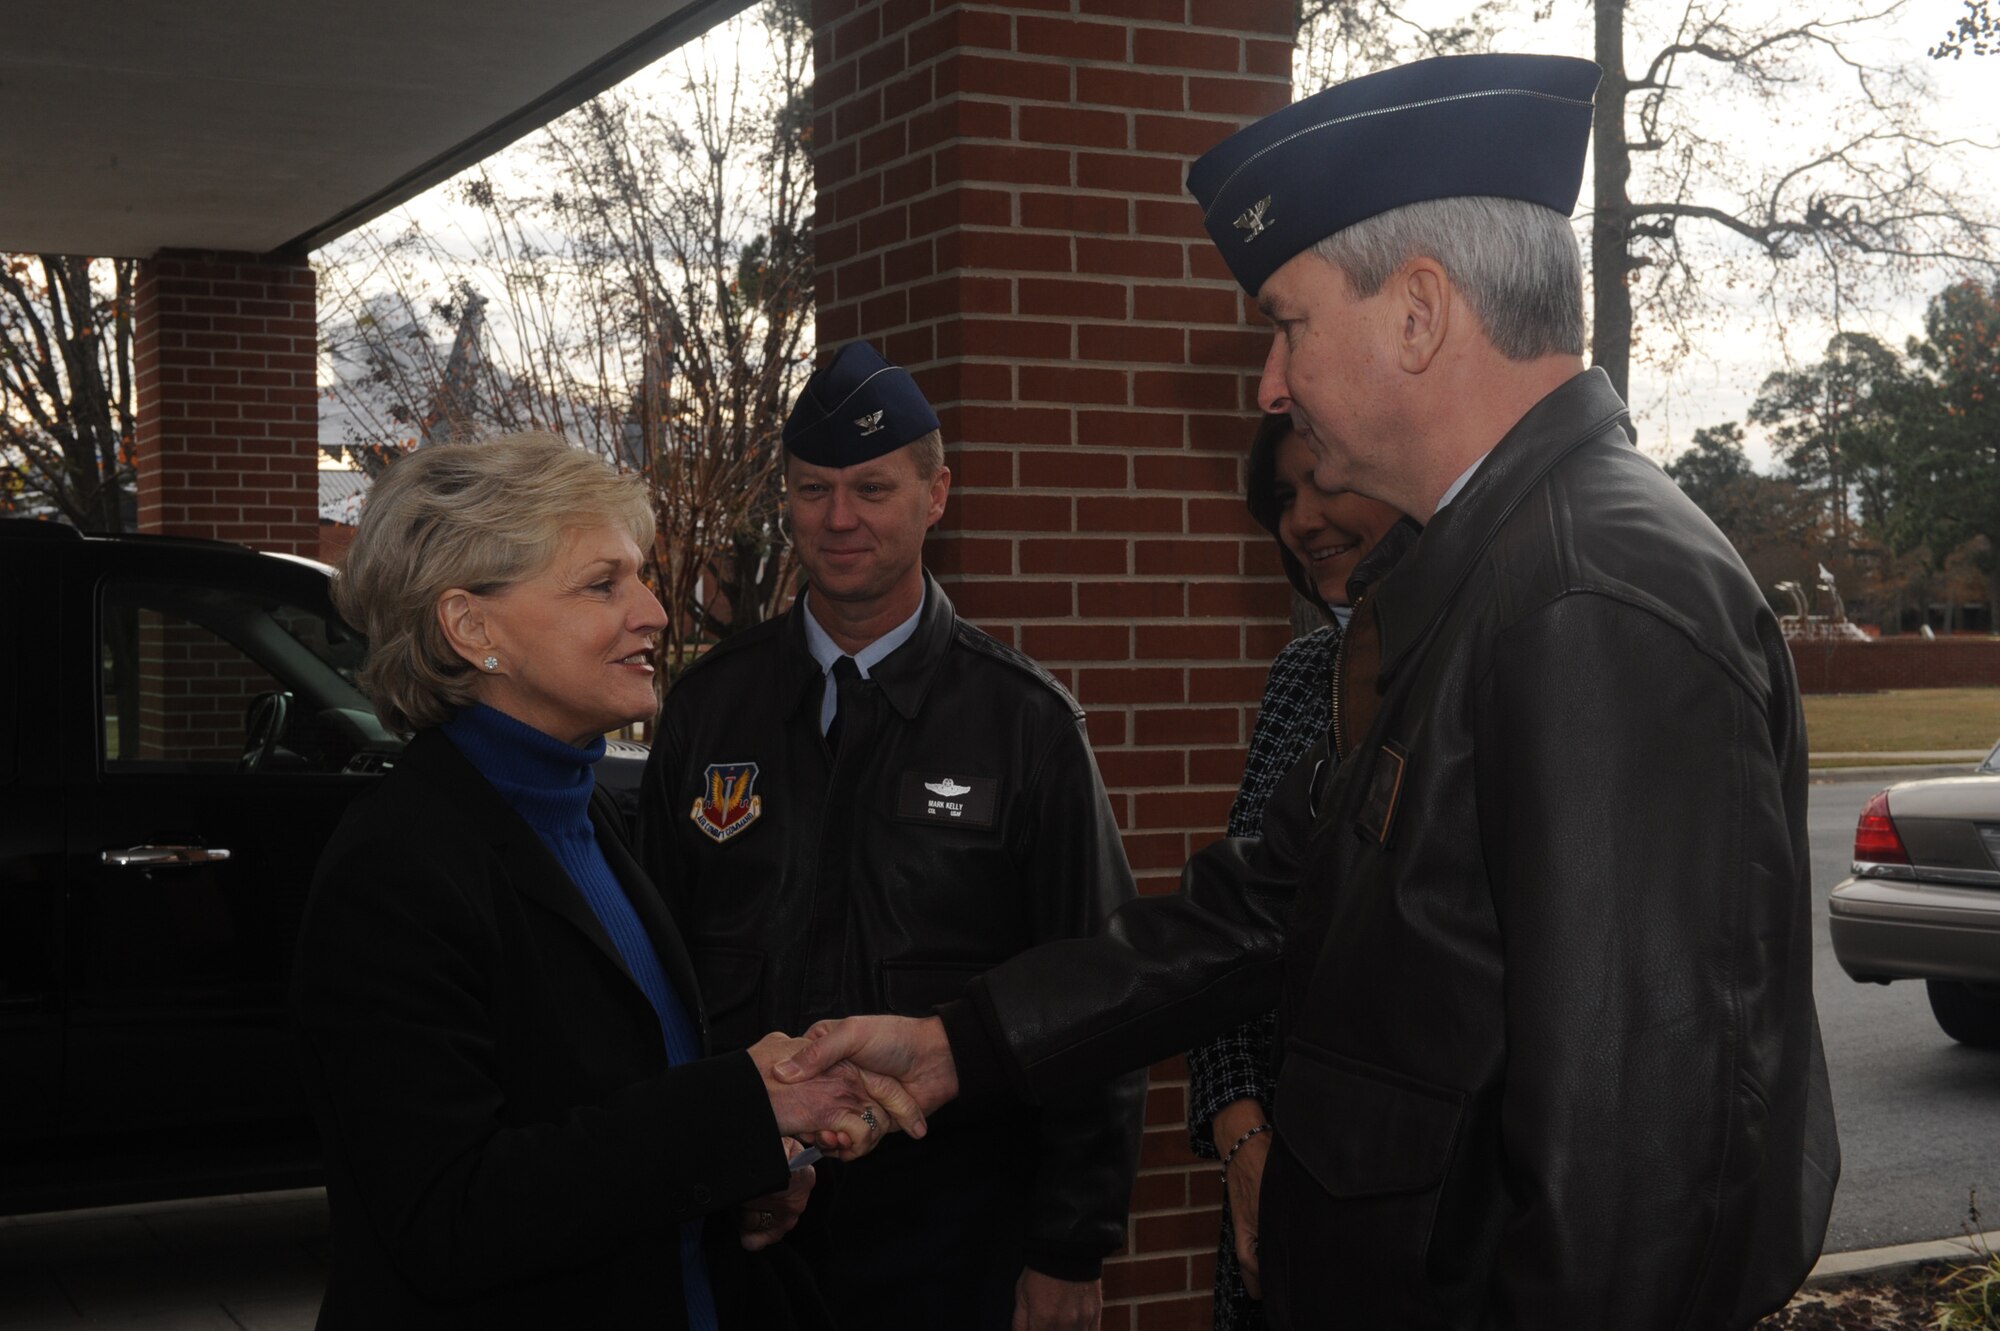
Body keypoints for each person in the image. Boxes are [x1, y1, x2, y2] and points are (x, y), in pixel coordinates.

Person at [779, 52, 1840, 1330]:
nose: (1268, 385)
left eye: (1285, 322)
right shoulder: (1466, 575)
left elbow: (1633, 1181)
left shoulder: (1586, 603)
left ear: (1417, 310)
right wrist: (961, 1045)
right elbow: (1264, 908)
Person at [290, 432, 920, 1331]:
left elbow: (609, 1112)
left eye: (640, 577)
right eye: (603, 584)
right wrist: (737, 1109)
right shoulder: (396, 870)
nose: (656, 612)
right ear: (472, 628)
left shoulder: (582, 818)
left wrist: (750, 1160)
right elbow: (448, 1217)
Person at [638, 342, 1146, 1331]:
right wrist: (701, 1157)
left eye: (871, 486)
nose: (838, 519)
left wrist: (1067, 1242)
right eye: (811, 488)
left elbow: (1095, 995)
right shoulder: (709, 711)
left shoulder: (1022, 725)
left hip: (955, 1236)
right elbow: (654, 979)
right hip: (743, 1229)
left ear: (935, 491)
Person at [1184, 413, 1403, 1330]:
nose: (1304, 519)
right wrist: (1243, 1139)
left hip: (1401, 1218)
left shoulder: (1472, 663)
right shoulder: (1299, 676)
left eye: (1325, 482)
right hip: (1270, 1203)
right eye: (1283, 498)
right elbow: (1230, 941)